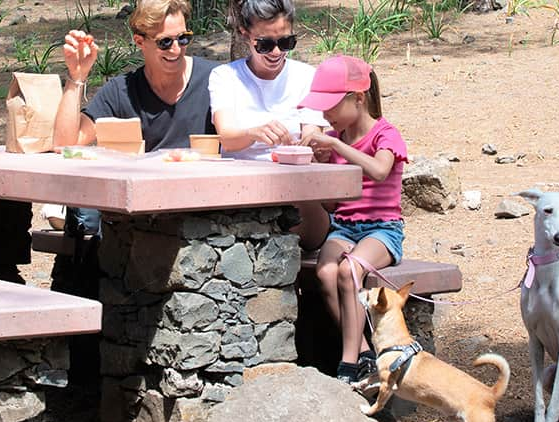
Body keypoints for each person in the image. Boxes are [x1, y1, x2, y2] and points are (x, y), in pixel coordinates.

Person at [51, 0, 220, 240]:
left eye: (183, 38)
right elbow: (65, 143)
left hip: (207, 215)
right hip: (141, 221)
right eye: (165, 42)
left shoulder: (216, 80)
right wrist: (77, 76)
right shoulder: (122, 91)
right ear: (139, 41)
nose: (176, 49)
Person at [298, 55, 409, 384]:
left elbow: (378, 170)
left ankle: (347, 363)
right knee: (326, 270)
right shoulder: (337, 140)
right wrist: (316, 165)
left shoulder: (385, 135)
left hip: (382, 229)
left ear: (358, 98)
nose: (325, 114)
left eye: (330, 106)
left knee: (350, 271)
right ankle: (362, 353)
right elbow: (333, 203)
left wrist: (334, 144)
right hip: (345, 226)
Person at [209, 0, 329, 249]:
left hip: (295, 192)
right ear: (245, 35)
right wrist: (254, 133)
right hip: (241, 190)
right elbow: (227, 137)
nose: (276, 52)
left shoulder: (306, 76)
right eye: (265, 44)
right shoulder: (226, 77)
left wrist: (307, 145)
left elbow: (312, 133)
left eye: (286, 43)